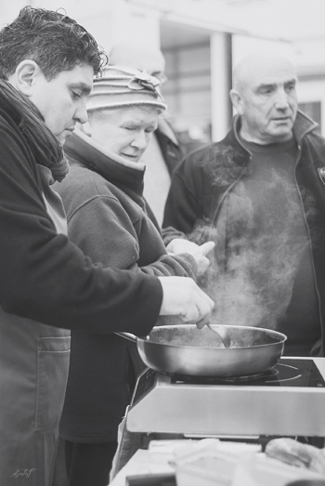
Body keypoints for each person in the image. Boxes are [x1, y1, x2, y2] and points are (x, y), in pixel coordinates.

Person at [0, 7, 214, 486]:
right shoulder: (13, 144)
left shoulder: (29, 151)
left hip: (33, 395)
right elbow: (38, 273)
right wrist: (167, 287)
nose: (79, 114)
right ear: (27, 75)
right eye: (77, 94)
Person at [53, 66, 214, 486]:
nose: (142, 142)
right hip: (98, 403)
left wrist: (170, 246)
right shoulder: (91, 191)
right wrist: (186, 265)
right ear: (87, 118)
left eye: (150, 129)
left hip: (87, 397)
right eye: (130, 127)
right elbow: (118, 295)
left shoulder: (101, 179)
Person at [163, 53, 325, 358]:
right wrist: (176, 246)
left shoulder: (322, 159)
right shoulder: (199, 168)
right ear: (237, 100)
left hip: (319, 353)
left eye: (289, 87)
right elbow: (171, 238)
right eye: (267, 91)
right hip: (232, 352)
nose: (283, 102)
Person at [108, 41, 185, 225]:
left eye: (156, 76)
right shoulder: (92, 137)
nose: (150, 85)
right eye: (136, 76)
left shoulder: (168, 138)